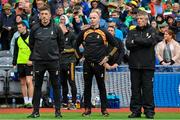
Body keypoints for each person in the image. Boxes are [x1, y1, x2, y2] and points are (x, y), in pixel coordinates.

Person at [75, 11, 118, 117]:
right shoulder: (85, 32)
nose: (92, 20)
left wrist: (107, 57)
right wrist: (80, 57)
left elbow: (116, 45)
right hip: (87, 64)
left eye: (94, 18)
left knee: (102, 87)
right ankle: (87, 109)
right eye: (90, 18)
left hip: (100, 64)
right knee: (87, 87)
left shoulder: (104, 32)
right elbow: (75, 45)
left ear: (99, 19)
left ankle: (104, 109)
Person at [27, 4, 64, 118]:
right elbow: (31, 44)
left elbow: (61, 45)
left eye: (46, 14)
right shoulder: (34, 28)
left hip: (53, 61)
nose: (44, 16)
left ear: (50, 15)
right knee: (37, 86)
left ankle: (58, 112)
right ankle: (35, 112)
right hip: (39, 61)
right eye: (42, 14)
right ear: (39, 16)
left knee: (56, 86)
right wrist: (38, 54)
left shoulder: (57, 28)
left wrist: (54, 54)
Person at [126, 11, 158, 119]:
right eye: (138, 19)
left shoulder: (152, 30)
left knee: (147, 90)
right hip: (134, 65)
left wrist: (136, 40)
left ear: (146, 19)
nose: (139, 20)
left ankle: (149, 111)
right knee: (135, 90)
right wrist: (144, 42)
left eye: (141, 18)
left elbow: (151, 42)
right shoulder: (132, 31)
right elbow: (128, 45)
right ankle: (136, 111)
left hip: (148, 65)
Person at [12, 21, 34, 108]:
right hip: (20, 62)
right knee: (22, 83)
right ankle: (25, 101)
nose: (19, 29)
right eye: (18, 28)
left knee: (29, 81)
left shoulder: (31, 38)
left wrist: (31, 60)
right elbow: (15, 52)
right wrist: (14, 63)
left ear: (25, 27)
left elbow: (35, 50)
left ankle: (30, 101)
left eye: (20, 27)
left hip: (29, 63)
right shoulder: (18, 39)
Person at [59, 15, 77, 109]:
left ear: (65, 27)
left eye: (61, 27)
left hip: (70, 62)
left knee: (72, 82)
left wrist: (65, 50)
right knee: (63, 82)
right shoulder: (58, 36)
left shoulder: (72, 35)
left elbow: (75, 49)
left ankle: (74, 102)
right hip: (61, 62)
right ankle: (65, 102)